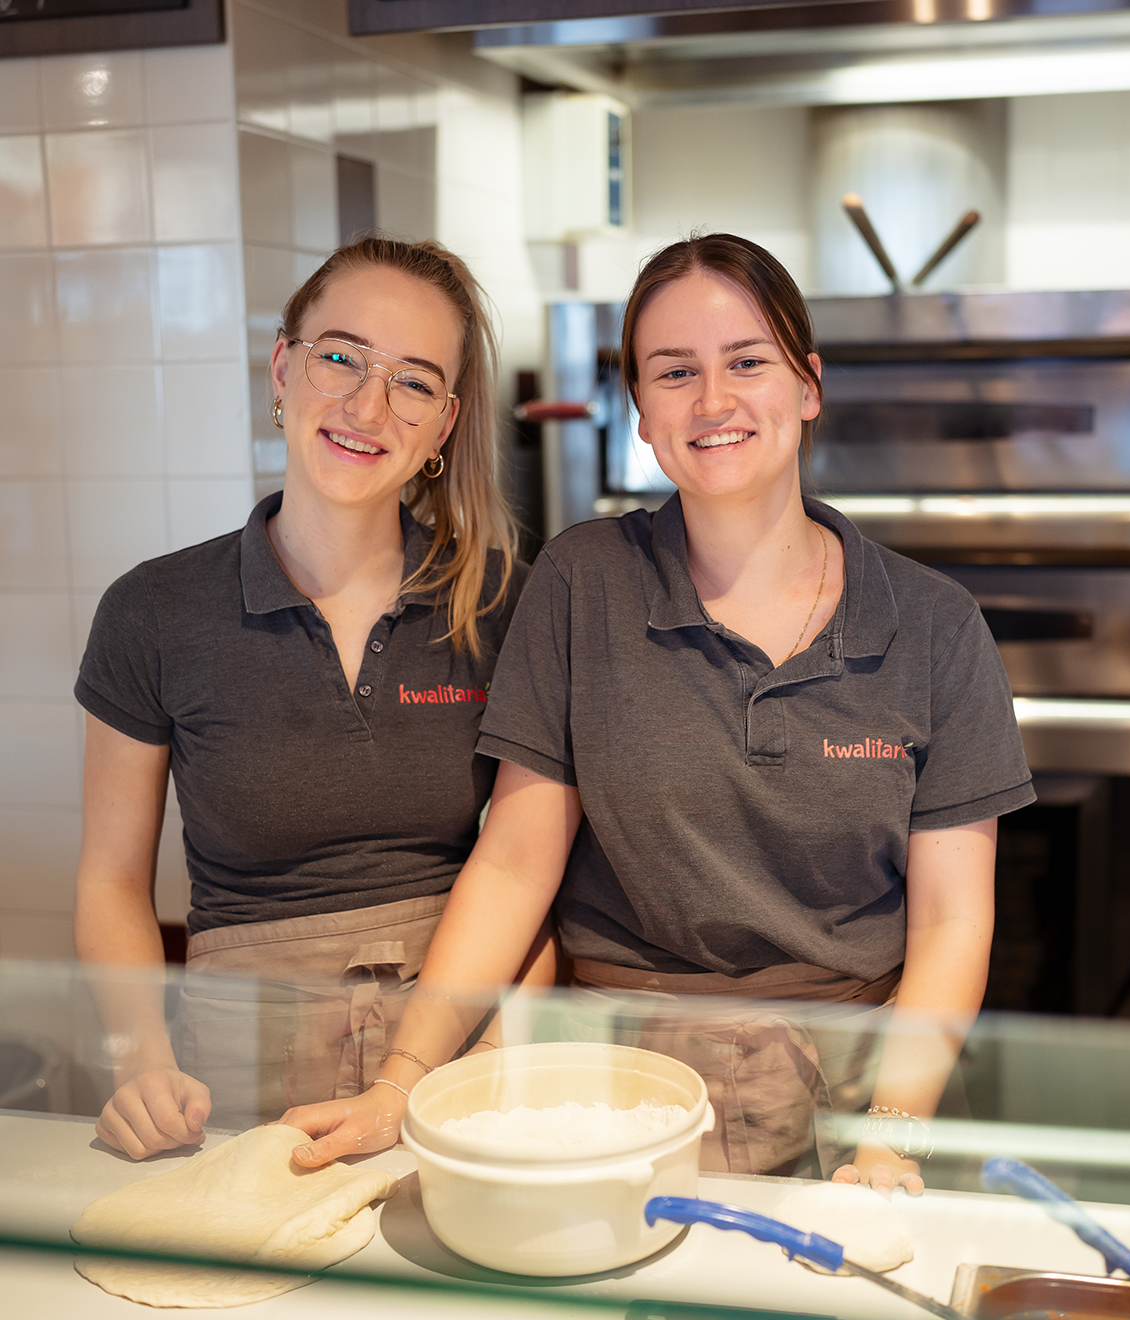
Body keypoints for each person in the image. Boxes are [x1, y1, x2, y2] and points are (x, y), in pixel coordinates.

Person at [283, 234, 1034, 1192]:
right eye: (674, 372)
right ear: (640, 413)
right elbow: (515, 864)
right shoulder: (581, 581)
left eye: (747, 362)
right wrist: (402, 1082)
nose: (712, 402)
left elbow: (950, 927)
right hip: (607, 1090)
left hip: (866, 1082)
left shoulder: (934, 624)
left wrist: (889, 1138)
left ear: (808, 385)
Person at [73, 237, 552, 1161]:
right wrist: (139, 1060)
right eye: (341, 357)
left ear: (444, 426)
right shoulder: (153, 611)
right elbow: (109, 882)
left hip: (455, 1057)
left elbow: (531, 865)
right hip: (241, 1075)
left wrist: (499, 1058)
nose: (367, 406)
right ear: (282, 368)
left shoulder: (505, 601)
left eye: (413, 382)